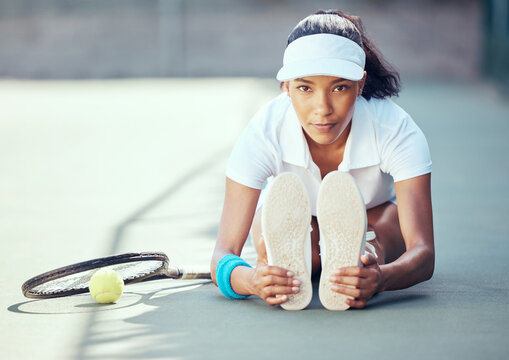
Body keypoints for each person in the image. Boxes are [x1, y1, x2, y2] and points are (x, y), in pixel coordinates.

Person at [210, 9, 434, 310]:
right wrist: (252, 279)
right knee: (283, 237)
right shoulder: (263, 132)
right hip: (294, 218)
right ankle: (275, 260)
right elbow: (222, 255)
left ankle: (363, 256)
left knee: (373, 240)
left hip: (375, 214)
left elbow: (423, 253)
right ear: (286, 88)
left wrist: (381, 277)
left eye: (339, 87)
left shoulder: (396, 129)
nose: (322, 108)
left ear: (361, 84)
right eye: (305, 88)